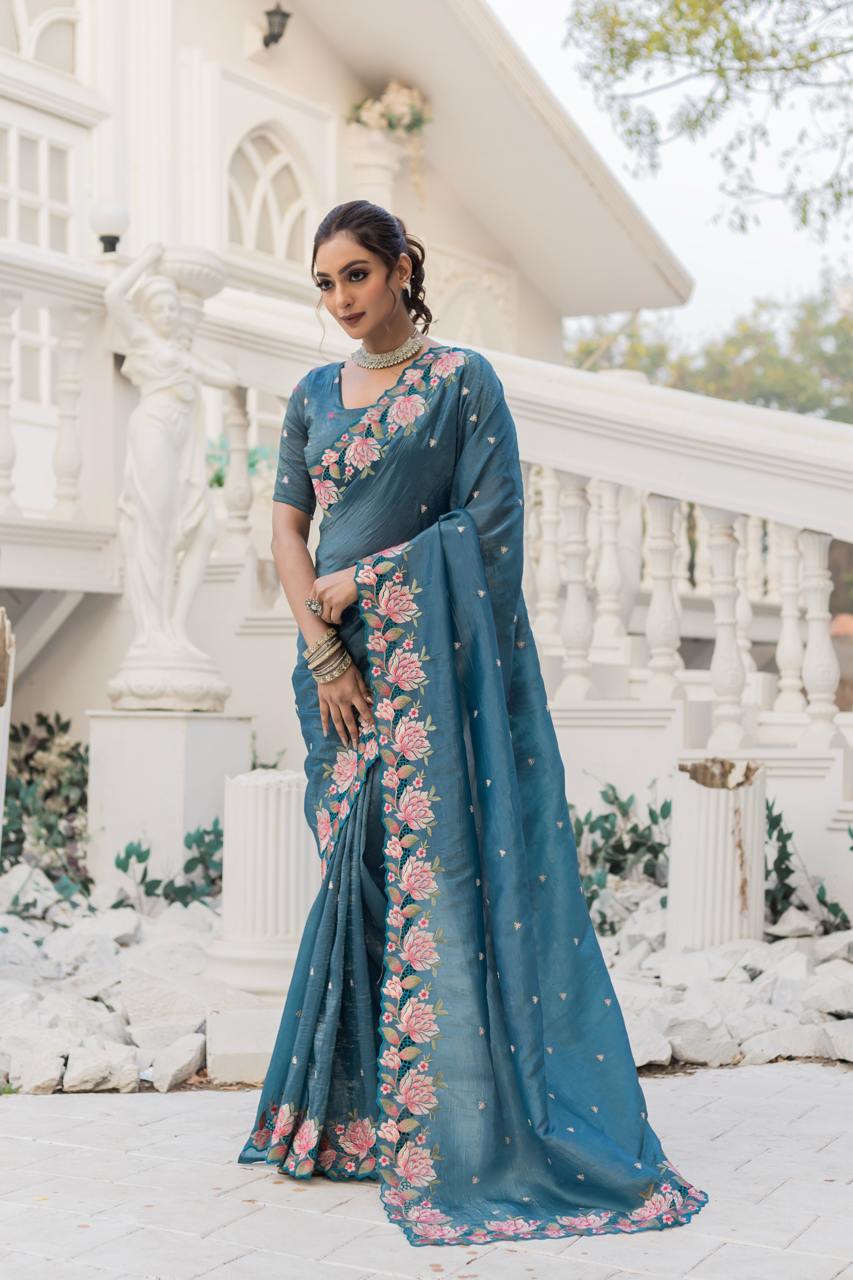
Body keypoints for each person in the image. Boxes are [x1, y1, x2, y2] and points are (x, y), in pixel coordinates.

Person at [237, 200, 709, 1248]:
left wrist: (370, 583)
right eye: (324, 283)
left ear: (403, 268)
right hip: (335, 670)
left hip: (429, 671)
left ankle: (452, 1118)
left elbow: (489, 534)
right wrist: (322, 645)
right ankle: (356, 1119)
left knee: (433, 878)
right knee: (356, 874)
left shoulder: (461, 383)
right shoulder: (313, 393)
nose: (340, 298)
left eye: (356, 274)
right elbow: (286, 527)